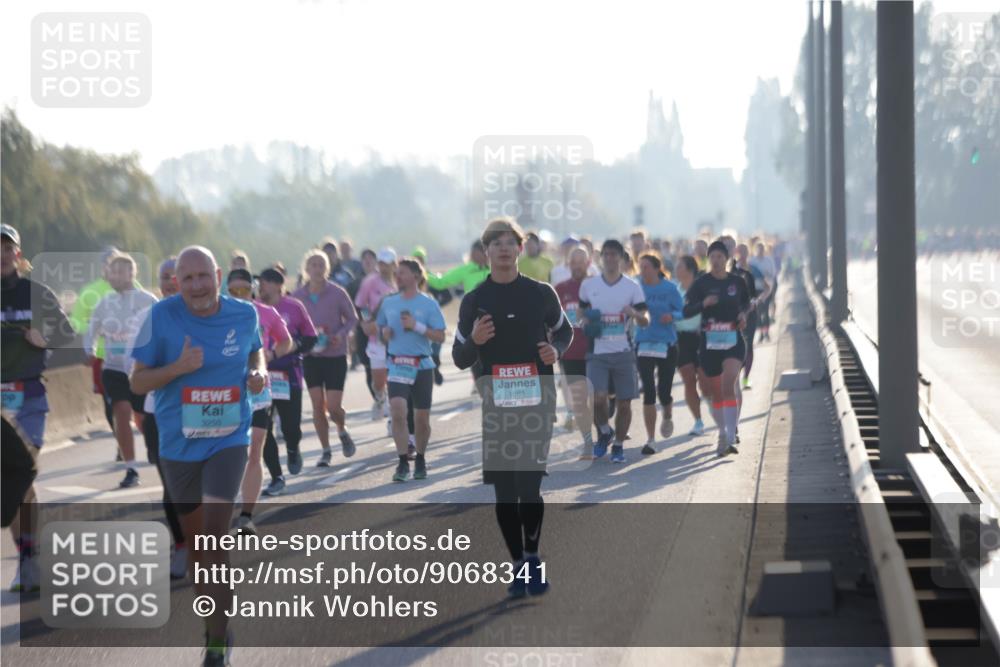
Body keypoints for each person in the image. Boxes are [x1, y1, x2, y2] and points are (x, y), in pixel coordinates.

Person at [130, 246, 267, 665]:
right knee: (196, 550)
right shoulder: (161, 317)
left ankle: (216, 641)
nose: (196, 286)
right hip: (178, 446)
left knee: (213, 537)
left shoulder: (244, 314)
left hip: (228, 440)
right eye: (187, 279)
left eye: (203, 276)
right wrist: (178, 368)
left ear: (219, 274)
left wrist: (257, 372)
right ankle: (216, 624)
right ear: (177, 283)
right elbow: (137, 383)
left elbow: (254, 350)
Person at [452, 217, 573, 598]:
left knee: (529, 484)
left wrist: (556, 351)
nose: (503, 248)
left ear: (520, 249)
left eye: (510, 242)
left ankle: (533, 557)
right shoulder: (474, 300)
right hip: (496, 402)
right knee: (505, 491)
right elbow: (458, 357)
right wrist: (473, 340)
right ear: (485, 252)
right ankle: (518, 563)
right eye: (495, 243)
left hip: (537, 396)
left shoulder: (540, 293)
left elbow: (565, 332)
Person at [1, 224, 75, 592]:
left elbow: (66, 334)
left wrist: (42, 337)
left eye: (6, 247)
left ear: (18, 253)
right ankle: (28, 555)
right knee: (11, 480)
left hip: (28, 397)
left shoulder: (36, 293)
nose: (0, 254)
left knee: (20, 475)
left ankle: (30, 559)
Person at [225, 269, 292, 535]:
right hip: (228, 391)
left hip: (258, 387)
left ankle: (246, 516)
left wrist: (269, 357)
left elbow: (286, 340)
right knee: (233, 453)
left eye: (244, 290)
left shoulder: (264, 313)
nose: (240, 295)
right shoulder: (218, 315)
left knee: (255, 450)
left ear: (252, 289)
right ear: (226, 291)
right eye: (234, 291)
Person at [134, 257, 189, 578]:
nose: (171, 282)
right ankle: (181, 546)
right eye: (165, 277)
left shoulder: (206, 313)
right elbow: (136, 372)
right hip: (159, 412)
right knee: (170, 482)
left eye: (176, 276)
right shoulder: (148, 317)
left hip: (200, 409)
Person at [84, 252, 158, 488]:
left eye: (120, 271)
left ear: (131, 273)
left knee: (144, 417)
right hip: (113, 369)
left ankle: (154, 448)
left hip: (141, 370)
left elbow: (164, 327)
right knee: (121, 411)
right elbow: (91, 330)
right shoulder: (103, 303)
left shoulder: (148, 301)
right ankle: (131, 469)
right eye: (111, 271)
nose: (115, 275)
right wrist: (90, 349)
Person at [578, 239, 649, 463]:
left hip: (623, 351)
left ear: (621, 258)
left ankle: (617, 445)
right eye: (606, 254)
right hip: (597, 352)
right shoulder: (589, 286)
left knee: (624, 402)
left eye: (613, 254)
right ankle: (604, 431)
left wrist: (635, 315)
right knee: (597, 398)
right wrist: (587, 322)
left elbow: (645, 320)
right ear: (601, 258)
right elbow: (580, 314)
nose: (609, 258)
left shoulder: (632, 287)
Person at [378, 259, 447, 481]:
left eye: (403, 273)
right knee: (397, 410)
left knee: (421, 419)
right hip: (397, 363)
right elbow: (380, 330)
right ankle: (401, 463)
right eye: (396, 273)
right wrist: (384, 333)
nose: (397, 277)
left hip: (422, 364)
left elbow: (440, 336)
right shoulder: (388, 303)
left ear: (416, 276)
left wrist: (416, 326)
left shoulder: (429, 304)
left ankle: (421, 459)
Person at [681, 240, 750, 457]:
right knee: (714, 393)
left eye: (720, 257)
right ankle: (722, 432)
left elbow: (746, 304)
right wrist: (703, 304)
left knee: (728, 383)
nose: (716, 261)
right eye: (713, 257)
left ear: (727, 259)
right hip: (710, 343)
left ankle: (730, 436)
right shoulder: (701, 283)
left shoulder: (737, 282)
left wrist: (742, 315)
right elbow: (686, 310)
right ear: (708, 260)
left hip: (733, 340)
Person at [292, 250, 358, 467]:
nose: (317, 269)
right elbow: (290, 325)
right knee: (317, 405)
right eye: (313, 265)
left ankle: (341, 429)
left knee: (334, 407)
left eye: (321, 265)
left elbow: (352, 319)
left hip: (335, 355)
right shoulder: (298, 296)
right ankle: (326, 451)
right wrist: (300, 341)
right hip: (311, 356)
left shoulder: (337, 293)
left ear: (327, 268)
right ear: (306, 269)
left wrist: (339, 335)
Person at [257, 268, 317, 496]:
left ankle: (293, 448)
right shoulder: (253, 309)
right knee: (263, 428)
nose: (260, 287)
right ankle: (276, 476)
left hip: (288, 376)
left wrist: (289, 348)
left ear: (276, 284)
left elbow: (311, 339)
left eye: (263, 283)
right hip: (260, 377)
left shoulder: (294, 307)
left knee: (291, 427)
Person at [634, 252, 684, 454]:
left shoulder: (669, 288)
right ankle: (651, 439)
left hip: (667, 344)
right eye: (640, 267)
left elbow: (683, 311)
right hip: (644, 342)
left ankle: (668, 415)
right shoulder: (637, 287)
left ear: (656, 268)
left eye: (646, 267)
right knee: (648, 390)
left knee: (664, 391)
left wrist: (671, 315)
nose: (642, 271)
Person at [69, 246, 120, 433]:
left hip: (130, 356)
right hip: (102, 356)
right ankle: (120, 442)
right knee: (109, 401)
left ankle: (129, 435)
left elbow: (145, 319)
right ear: (101, 267)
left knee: (131, 402)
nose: (110, 269)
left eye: (114, 264)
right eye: (106, 265)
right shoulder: (90, 291)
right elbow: (75, 320)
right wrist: (95, 329)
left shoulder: (133, 287)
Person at [553, 246, 595, 457]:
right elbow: (551, 320)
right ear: (568, 264)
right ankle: (588, 443)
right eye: (573, 261)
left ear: (589, 263)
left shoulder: (598, 286)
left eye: (581, 261)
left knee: (600, 400)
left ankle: (604, 429)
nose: (577, 265)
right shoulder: (560, 289)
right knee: (579, 401)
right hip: (570, 352)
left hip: (598, 351)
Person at [355, 248, 398, 421]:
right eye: (381, 263)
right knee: (379, 381)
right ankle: (380, 397)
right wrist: (366, 323)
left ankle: (392, 419)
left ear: (394, 264)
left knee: (395, 379)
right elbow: (360, 305)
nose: (384, 267)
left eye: (387, 264)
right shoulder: (370, 282)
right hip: (376, 337)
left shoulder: (400, 281)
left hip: (397, 338)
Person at [673, 255, 707, 436]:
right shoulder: (674, 291)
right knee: (688, 380)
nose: (676, 270)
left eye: (679, 266)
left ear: (689, 270)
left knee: (704, 380)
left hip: (701, 337)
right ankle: (698, 421)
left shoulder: (701, 289)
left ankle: (714, 409)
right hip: (681, 339)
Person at [733, 243, 771, 390]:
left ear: (748, 253)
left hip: (750, 312)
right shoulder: (732, 270)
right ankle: (735, 375)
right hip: (734, 313)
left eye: (744, 251)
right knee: (736, 346)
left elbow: (767, 288)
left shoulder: (753, 270)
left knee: (748, 346)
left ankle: (746, 378)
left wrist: (759, 299)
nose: (742, 254)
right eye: (740, 251)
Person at [425, 240, 490, 295]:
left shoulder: (496, 268)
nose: (471, 255)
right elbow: (440, 282)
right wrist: (424, 273)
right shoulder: (465, 270)